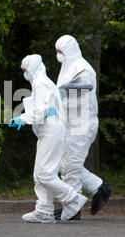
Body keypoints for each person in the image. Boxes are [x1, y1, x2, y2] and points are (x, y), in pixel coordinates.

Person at [9, 54, 87, 223]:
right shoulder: (42, 83)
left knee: (45, 174)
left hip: (51, 131)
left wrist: (23, 118)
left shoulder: (41, 83)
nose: (25, 73)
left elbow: (42, 111)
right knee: (40, 174)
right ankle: (44, 211)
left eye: (25, 70)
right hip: (48, 131)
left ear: (33, 68)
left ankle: (73, 198)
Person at [54, 35, 113, 220]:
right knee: (66, 165)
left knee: (70, 166)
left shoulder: (82, 69)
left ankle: (72, 208)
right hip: (70, 123)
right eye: (57, 52)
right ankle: (99, 188)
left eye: (61, 52)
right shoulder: (67, 68)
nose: (58, 55)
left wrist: (57, 96)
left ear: (69, 50)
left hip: (82, 124)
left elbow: (79, 91)